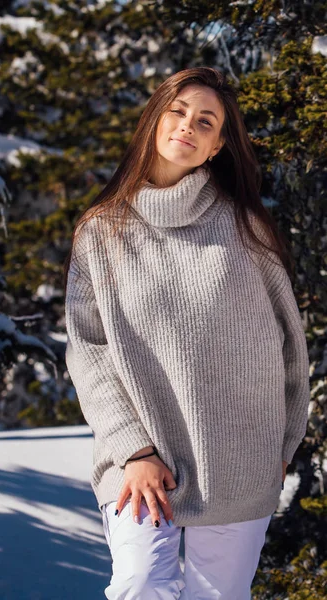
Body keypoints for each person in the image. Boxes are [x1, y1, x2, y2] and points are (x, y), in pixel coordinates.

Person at [63, 67, 310, 599]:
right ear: (155, 117)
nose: (187, 127)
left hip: (239, 457)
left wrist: (285, 438)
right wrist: (134, 450)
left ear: (218, 144)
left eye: (206, 121)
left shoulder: (244, 225)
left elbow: (288, 343)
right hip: (140, 459)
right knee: (138, 583)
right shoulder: (102, 231)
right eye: (178, 112)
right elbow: (89, 353)